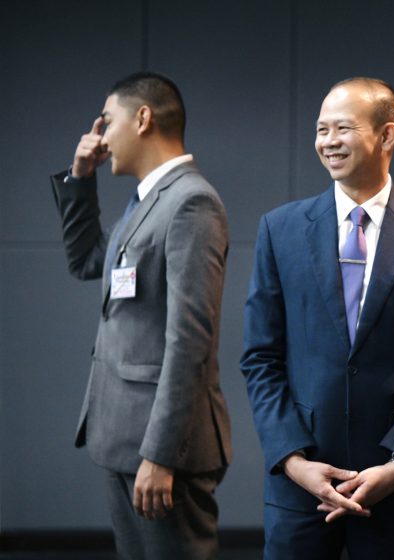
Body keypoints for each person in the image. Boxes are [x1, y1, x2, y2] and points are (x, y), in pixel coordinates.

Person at [241, 77, 394, 560]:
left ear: (387, 135)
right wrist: (293, 461)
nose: (328, 141)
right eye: (321, 129)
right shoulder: (280, 229)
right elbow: (260, 358)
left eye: (342, 128)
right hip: (300, 485)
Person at [50, 72, 232, 559]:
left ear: (143, 118)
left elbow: (190, 341)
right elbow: (85, 260)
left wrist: (160, 454)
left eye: (107, 121)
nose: (100, 137)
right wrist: (79, 179)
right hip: (125, 438)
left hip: (161, 447)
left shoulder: (191, 202)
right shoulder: (146, 203)